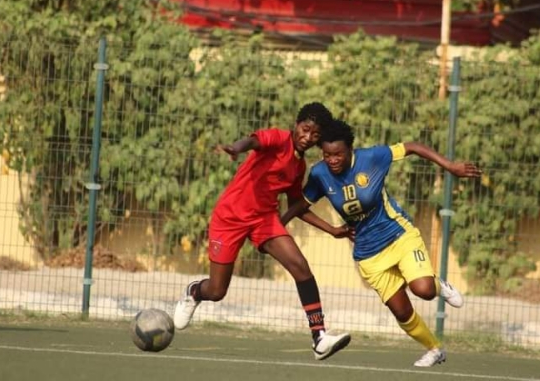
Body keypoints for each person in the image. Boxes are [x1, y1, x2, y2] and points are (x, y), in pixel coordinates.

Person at [281, 118, 482, 367]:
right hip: (368, 255)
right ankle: (434, 349)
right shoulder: (320, 174)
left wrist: (450, 166)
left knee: (424, 290)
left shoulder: (373, 157)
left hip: (398, 235)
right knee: (401, 311)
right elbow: (301, 205)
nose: (332, 160)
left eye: (338, 154)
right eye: (327, 155)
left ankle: (438, 284)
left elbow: (412, 147)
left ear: (350, 150)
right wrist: (293, 223)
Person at [174, 102, 351, 360]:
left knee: (301, 267)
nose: (307, 137)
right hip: (230, 217)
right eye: (305, 129)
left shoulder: (298, 167)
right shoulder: (278, 139)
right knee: (217, 291)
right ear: (296, 124)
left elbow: (297, 207)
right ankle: (194, 292)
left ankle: (319, 338)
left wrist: (332, 230)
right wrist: (236, 147)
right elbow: (253, 141)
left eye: (315, 135)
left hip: (264, 220)